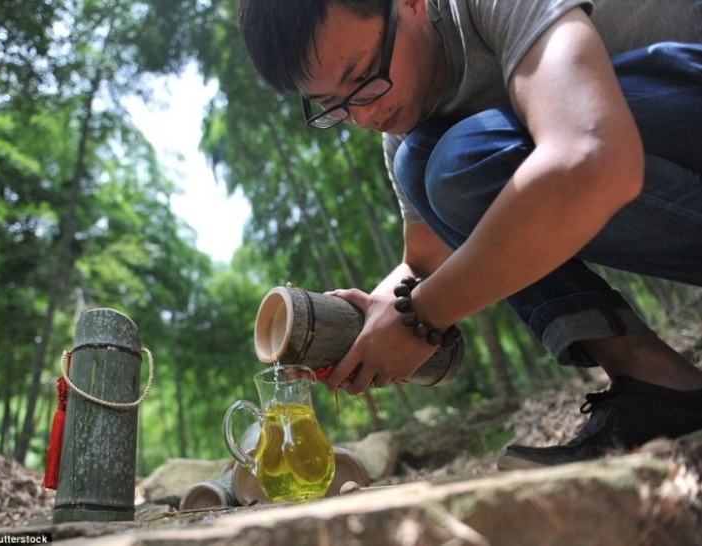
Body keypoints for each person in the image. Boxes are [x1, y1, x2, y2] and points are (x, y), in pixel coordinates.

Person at [236, 0, 702, 470]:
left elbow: (594, 158)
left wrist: (424, 315)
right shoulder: (407, 123)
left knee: (456, 162)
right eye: (331, 104)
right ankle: (652, 379)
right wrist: (361, 332)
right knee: (423, 161)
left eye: (360, 77)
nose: (361, 115)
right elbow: (424, 264)